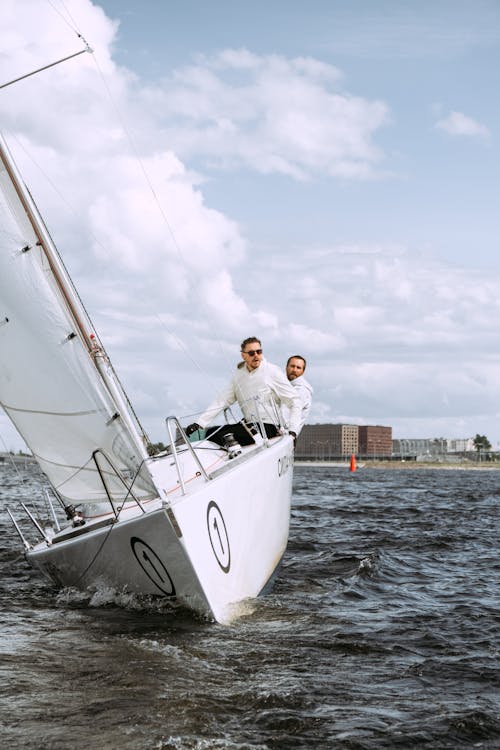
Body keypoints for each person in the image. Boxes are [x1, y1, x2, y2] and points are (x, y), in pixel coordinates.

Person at [186, 337, 301, 446]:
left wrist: (293, 431)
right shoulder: (239, 375)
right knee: (211, 433)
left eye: (259, 352)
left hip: (269, 426)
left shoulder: (272, 371)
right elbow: (222, 400)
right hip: (250, 425)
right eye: (251, 353)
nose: (256, 355)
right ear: (243, 356)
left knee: (224, 436)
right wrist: (200, 423)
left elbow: (294, 400)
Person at [285, 355, 313, 435]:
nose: (294, 370)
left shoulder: (302, 390)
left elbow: (288, 413)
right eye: (292, 366)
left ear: (303, 371)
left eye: (298, 368)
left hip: (286, 437)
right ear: (286, 367)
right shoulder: (285, 385)